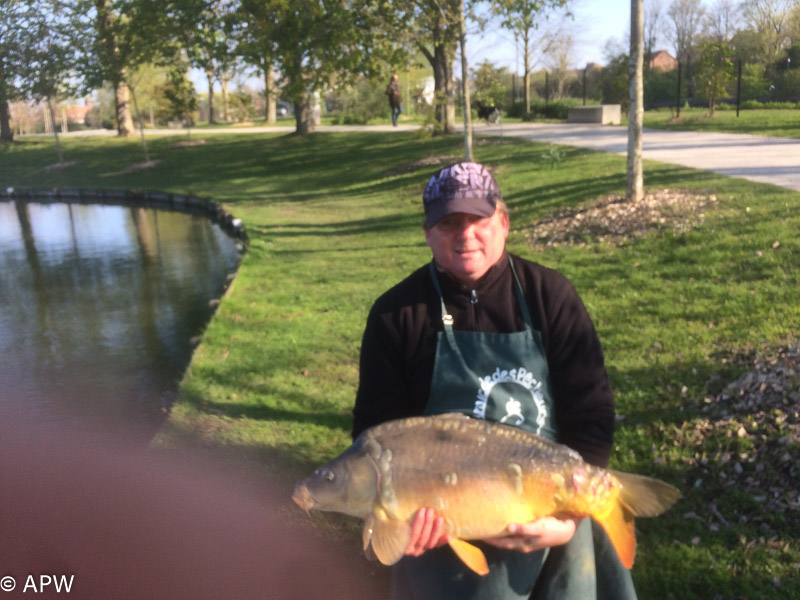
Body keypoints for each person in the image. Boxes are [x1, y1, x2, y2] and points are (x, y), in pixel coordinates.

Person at [352, 162, 638, 600]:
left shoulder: (552, 297)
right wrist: (404, 516)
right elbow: (375, 432)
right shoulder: (397, 315)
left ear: (503, 223)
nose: (465, 235)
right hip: (445, 527)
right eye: (448, 224)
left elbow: (592, 412)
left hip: (552, 512)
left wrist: (565, 524)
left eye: (478, 220)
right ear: (427, 233)